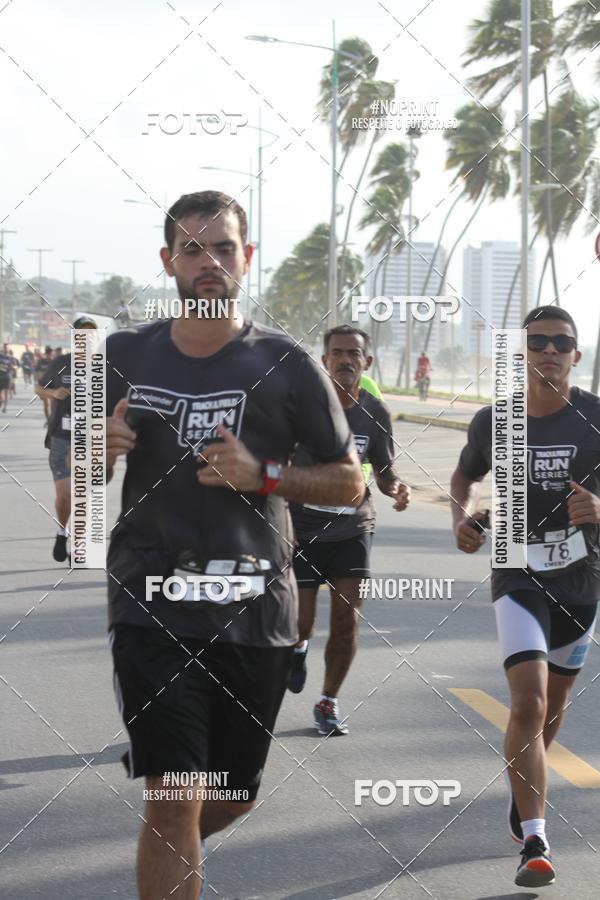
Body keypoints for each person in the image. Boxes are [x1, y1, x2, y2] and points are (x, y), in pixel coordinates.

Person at [105, 190, 364, 900]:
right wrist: (100, 450)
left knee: (230, 796)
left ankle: (172, 852)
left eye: (223, 247)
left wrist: (265, 475)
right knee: (175, 797)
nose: (209, 262)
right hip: (152, 602)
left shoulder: (285, 362)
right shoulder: (125, 353)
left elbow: (350, 485)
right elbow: (79, 480)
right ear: (169, 262)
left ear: (247, 259)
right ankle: (171, 842)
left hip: (254, 612)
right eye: (193, 249)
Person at [450, 306, 599, 888]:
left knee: (553, 710)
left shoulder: (594, 418)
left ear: (576, 356)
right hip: (515, 567)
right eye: (537, 342)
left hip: (582, 578)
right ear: (523, 353)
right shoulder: (497, 421)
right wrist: (463, 519)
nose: (549, 352)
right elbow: (464, 479)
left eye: (561, 343)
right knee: (530, 702)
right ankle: (535, 837)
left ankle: (522, 791)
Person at [288, 325, 410, 735]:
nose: (345, 360)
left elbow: (385, 472)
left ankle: (328, 701)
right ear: (324, 362)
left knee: (346, 621)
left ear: (366, 362)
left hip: (352, 527)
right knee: (300, 624)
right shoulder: (301, 408)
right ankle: (298, 647)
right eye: (337, 353)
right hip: (302, 528)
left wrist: (397, 490)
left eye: (353, 354)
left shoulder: (375, 412)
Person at [35, 316, 98, 563]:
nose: (87, 338)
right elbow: (39, 389)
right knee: (64, 495)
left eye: (91, 334)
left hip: (89, 439)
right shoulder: (62, 363)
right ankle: (63, 531)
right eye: (82, 334)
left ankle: (79, 546)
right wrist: (54, 392)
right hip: (62, 437)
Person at [35, 346, 55, 422]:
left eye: (50, 353)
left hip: (53, 384)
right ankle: (48, 420)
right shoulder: (41, 361)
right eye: (47, 353)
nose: (49, 355)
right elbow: (37, 372)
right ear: (45, 353)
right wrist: (37, 382)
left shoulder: (54, 362)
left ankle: (52, 419)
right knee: (46, 404)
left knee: (53, 404)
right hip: (43, 384)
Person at [0, 344, 12, 412]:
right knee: (1, 393)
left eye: (6, 348)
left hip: (7, 376)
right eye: (4, 348)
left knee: (6, 392)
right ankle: (1, 401)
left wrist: (13, 367)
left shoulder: (10, 358)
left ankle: (5, 407)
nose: (5, 349)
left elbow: (14, 366)